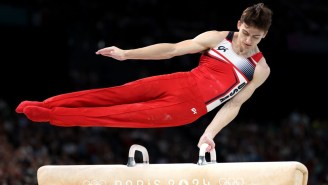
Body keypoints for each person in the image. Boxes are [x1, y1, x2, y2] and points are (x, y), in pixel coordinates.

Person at [16, 3, 272, 152]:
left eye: (256, 37)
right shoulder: (218, 37)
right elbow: (172, 49)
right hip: (178, 80)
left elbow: (234, 104)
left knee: (118, 114)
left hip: (187, 108)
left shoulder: (258, 69)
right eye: (246, 32)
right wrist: (127, 54)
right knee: (112, 94)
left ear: (265, 35)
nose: (248, 41)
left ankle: (51, 115)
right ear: (239, 23)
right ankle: (48, 103)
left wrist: (209, 133)